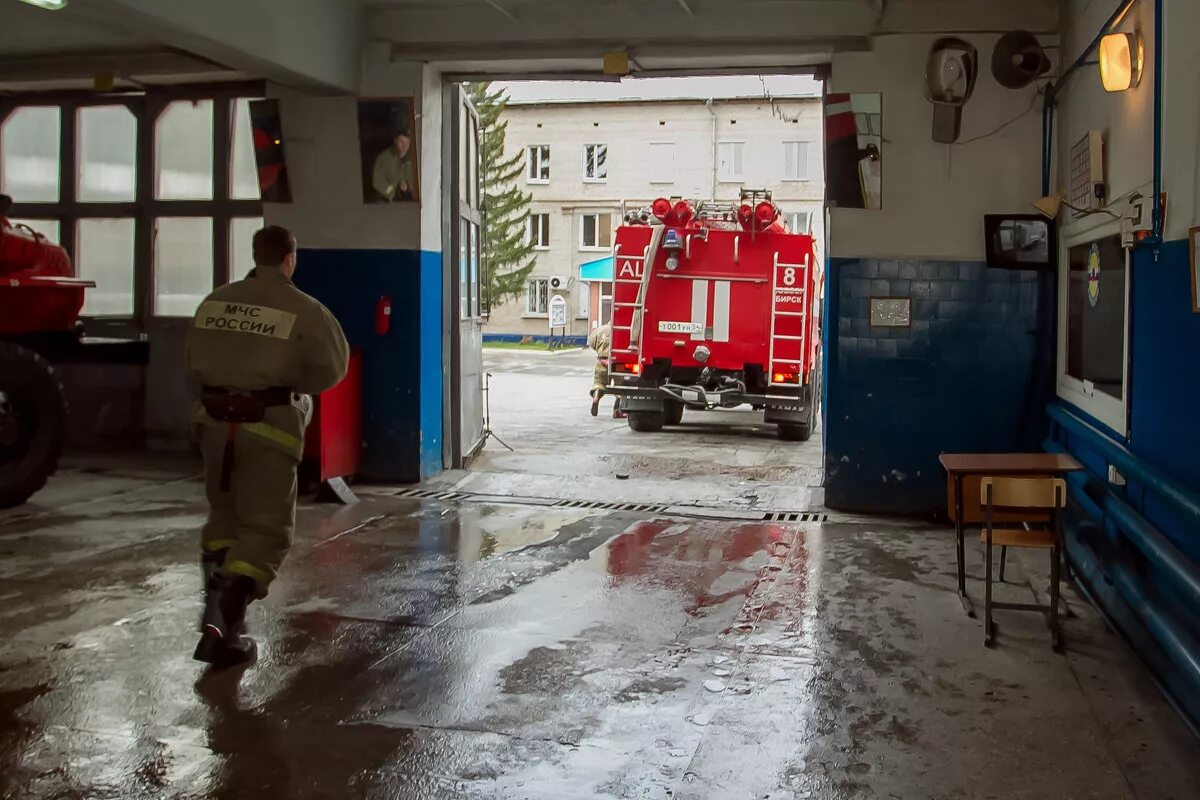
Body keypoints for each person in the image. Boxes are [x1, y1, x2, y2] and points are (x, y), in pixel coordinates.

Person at [186, 225, 349, 669]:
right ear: (289, 258)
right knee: (266, 531)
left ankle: (222, 619)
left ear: (255, 254)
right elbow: (333, 368)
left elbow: (193, 357)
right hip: (267, 427)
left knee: (224, 520)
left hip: (213, 425)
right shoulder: (304, 309)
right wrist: (291, 387)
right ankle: (220, 627)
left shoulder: (214, 301)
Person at [588, 321, 622, 418]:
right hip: (617, 362)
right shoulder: (620, 330)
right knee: (619, 386)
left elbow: (591, 341)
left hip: (601, 361)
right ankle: (617, 411)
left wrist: (599, 350)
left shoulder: (601, 330)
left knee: (598, 383)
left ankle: (596, 398)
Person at [371, 131, 414, 202]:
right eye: (401, 142)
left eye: (407, 142)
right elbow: (377, 181)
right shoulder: (384, 157)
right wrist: (393, 192)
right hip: (387, 200)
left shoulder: (412, 159)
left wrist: (407, 186)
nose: (405, 145)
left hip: (408, 199)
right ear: (395, 141)